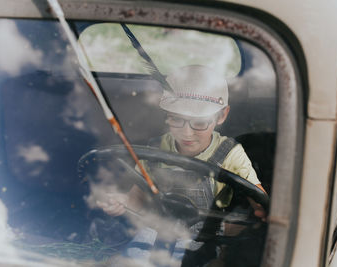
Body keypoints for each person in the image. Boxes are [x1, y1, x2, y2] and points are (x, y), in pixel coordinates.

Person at [96, 65, 267, 264]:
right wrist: (121, 202)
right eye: (176, 119)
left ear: (221, 116)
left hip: (207, 238)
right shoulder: (155, 148)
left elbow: (258, 198)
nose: (186, 133)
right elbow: (136, 199)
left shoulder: (230, 154)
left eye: (200, 122)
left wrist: (262, 210)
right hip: (157, 230)